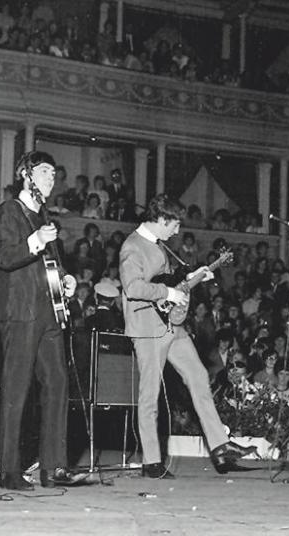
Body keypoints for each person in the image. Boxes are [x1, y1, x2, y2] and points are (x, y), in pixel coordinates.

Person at [119, 193, 255, 479]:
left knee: (198, 376)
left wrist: (195, 277)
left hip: (170, 326)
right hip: (147, 330)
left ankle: (219, 446)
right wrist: (169, 292)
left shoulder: (161, 246)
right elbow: (133, 288)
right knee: (149, 395)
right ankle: (152, 462)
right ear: (161, 220)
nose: (178, 231)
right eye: (175, 224)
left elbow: (169, 283)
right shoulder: (133, 247)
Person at [0, 151, 87, 490]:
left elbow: (50, 267)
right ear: (25, 174)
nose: (51, 178)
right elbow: (2, 256)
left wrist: (66, 279)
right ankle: (9, 470)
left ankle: (53, 467)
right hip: (20, 312)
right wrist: (35, 241)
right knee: (17, 389)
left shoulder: (44, 214)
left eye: (53, 173)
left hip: (48, 312)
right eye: (44, 171)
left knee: (58, 383)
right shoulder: (9, 211)